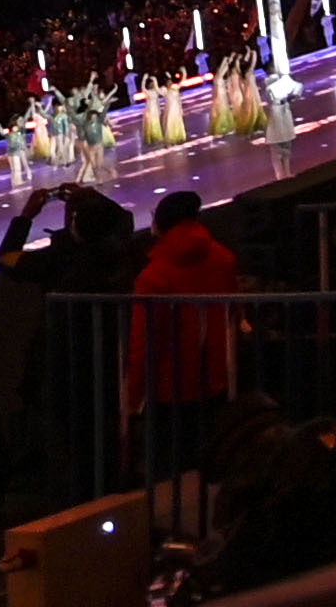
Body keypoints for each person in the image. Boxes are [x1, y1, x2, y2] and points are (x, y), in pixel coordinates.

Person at [121, 190, 244, 484]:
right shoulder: (223, 257)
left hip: (168, 390)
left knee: (170, 477)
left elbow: (145, 343)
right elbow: (234, 314)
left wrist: (131, 398)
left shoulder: (154, 276)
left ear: (160, 223)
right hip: (214, 380)